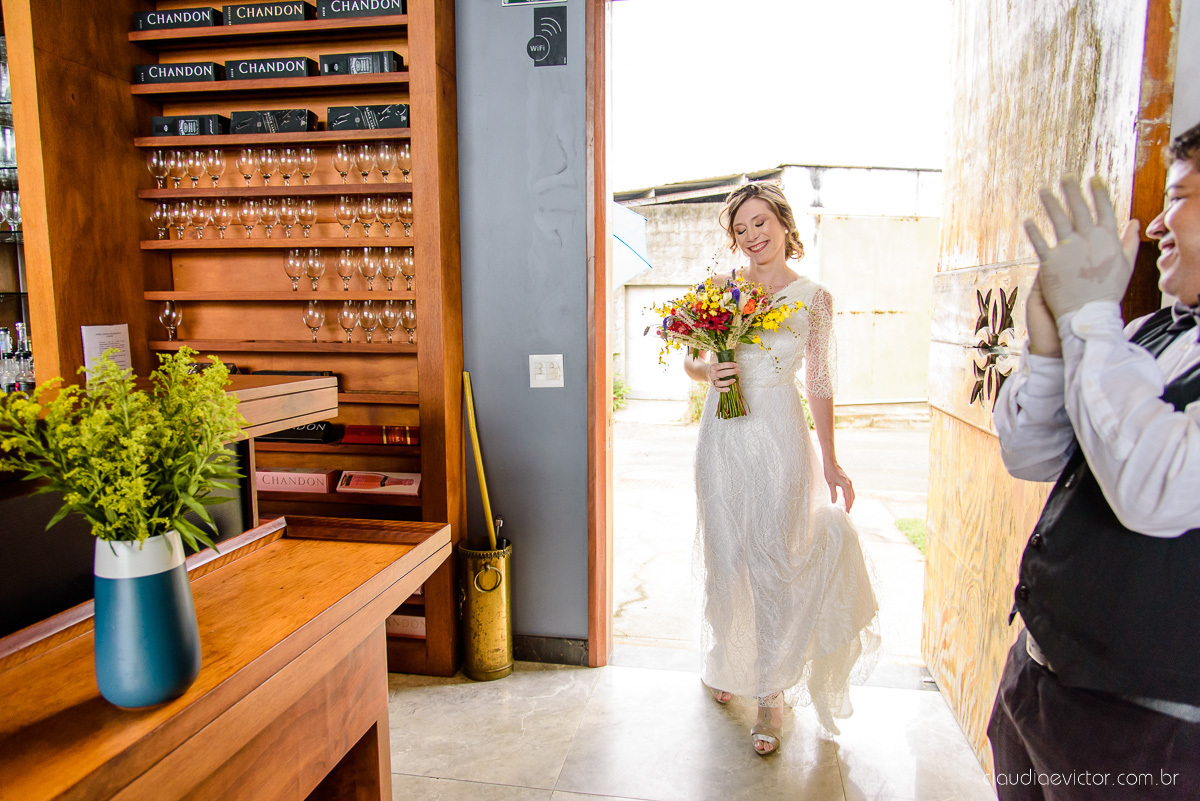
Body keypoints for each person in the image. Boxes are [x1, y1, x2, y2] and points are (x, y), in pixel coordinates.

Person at [989, 121, 1200, 800]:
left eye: (1184, 196)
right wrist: (1049, 348)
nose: (1161, 224)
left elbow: (1155, 492)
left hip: (1145, 730)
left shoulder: (1115, 332)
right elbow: (1033, 454)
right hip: (1039, 682)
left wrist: (1091, 317)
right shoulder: (1147, 332)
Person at [684, 183, 879, 756]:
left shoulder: (813, 297)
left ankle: (772, 693)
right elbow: (693, 357)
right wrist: (707, 372)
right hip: (721, 432)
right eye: (741, 228)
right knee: (727, 556)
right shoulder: (721, 289)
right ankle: (730, 658)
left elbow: (817, 381)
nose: (752, 236)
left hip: (778, 430)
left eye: (760, 222)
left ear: (783, 224)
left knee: (770, 559)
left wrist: (833, 458)